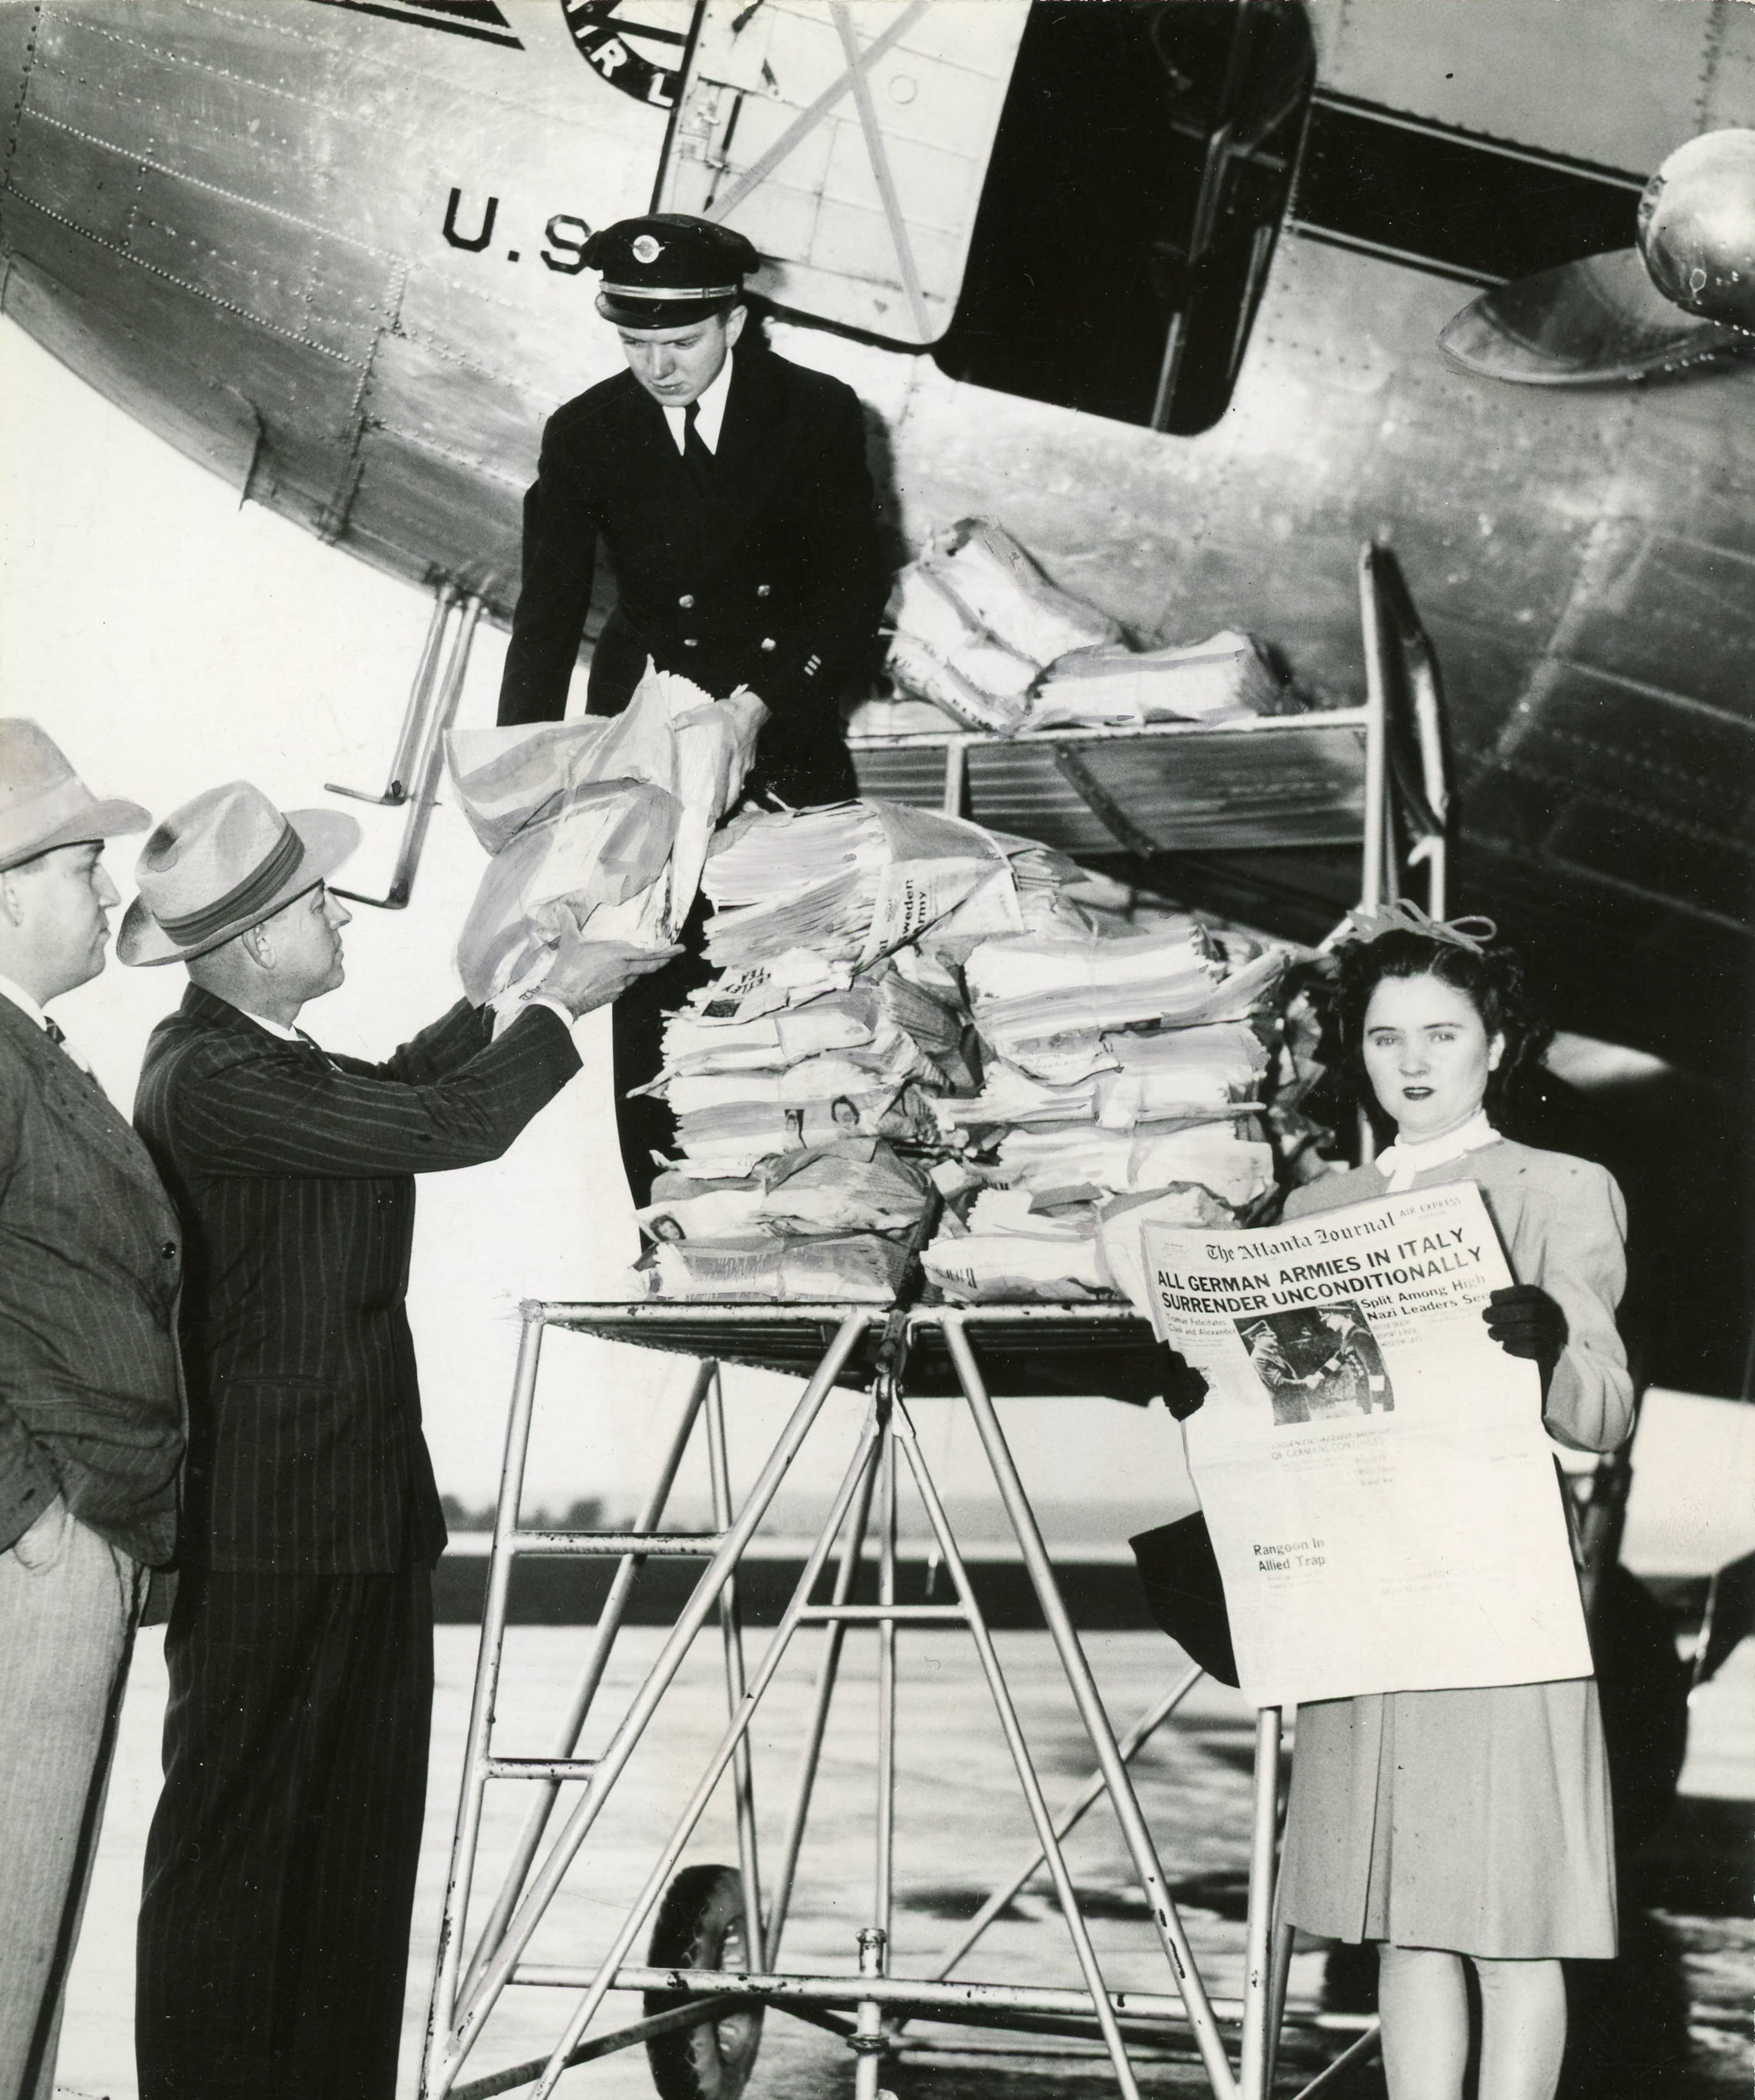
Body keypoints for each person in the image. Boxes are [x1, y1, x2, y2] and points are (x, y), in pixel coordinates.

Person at [122, 780, 673, 2100]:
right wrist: (559, 1009)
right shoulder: (210, 1076)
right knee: (239, 1843)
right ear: (258, 939)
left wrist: (515, 985)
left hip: (353, 1515)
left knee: (353, 1852)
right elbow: (447, 1126)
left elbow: (408, 1086)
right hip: (270, 1527)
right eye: (317, 899)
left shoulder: (267, 1061)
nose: (340, 914)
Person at [1166, 905, 1632, 2100]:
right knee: (1405, 1921)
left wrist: (1548, 1348)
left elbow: (1606, 1408)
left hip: (1498, 1603)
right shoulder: (1315, 1210)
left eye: (1443, 1032)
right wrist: (1205, 1385)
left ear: (1498, 1043)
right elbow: (1294, 1419)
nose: (1415, 1063)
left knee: (1513, 1919)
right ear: (1359, 1052)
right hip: (1364, 1606)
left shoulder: (1562, 1190)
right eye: (1386, 1038)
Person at [496, 211, 891, 1203]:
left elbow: (851, 586)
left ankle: (816, 1214)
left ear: (734, 321)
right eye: (635, 344)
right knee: (652, 991)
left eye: (678, 343)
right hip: (649, 748)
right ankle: (673, 1225)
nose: (658, 366)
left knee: (800, 987)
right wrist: (524, 793)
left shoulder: (817, 413)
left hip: (784, 726)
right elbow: (544, 620)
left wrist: (765, 702)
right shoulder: (586, 432)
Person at [0, 721, 177, 2100]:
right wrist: (35, 1519)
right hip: (36, 1556)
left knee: (31, 1929)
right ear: (3, 891)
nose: (111, 893)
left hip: (74, 1541)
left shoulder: (32, 1051)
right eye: (83, 865)